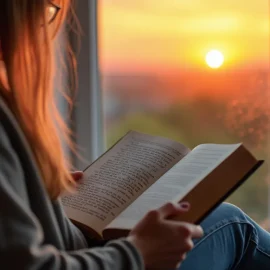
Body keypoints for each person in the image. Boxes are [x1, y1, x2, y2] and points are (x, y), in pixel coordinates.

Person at [0, 1, 269, 269]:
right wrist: (139, 254)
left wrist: (43, 197)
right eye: (46, 10)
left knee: (223, 218)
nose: (44, 30)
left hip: (82, 249)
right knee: (233, 227)